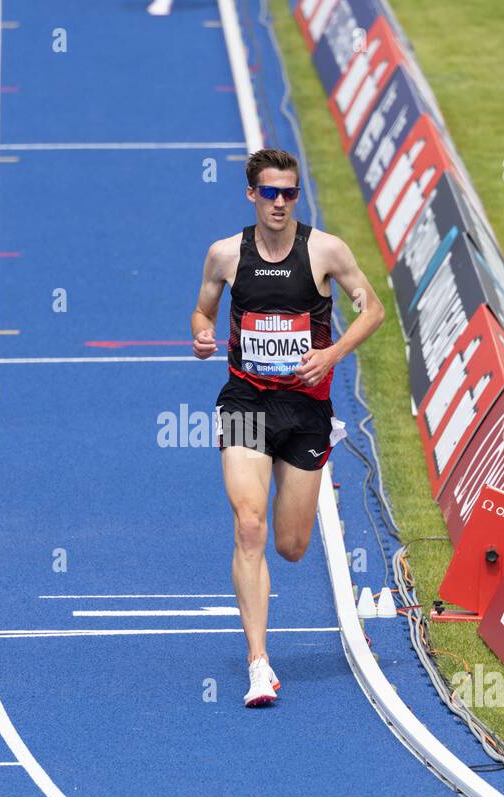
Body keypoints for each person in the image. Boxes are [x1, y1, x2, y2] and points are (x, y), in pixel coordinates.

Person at [190, 147, 384, 707]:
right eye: (270, 192)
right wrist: (202, 336)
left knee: (292, 546)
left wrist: (333, 355)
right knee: (248, 525)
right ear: (251, 194)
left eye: (290, 193)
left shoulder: (324, 250)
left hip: (306, 413)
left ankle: (263, 646)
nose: (280, 202)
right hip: (246, 402)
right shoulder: (226, 255)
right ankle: (258, 663)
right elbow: (202, 311)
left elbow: (371, 308)